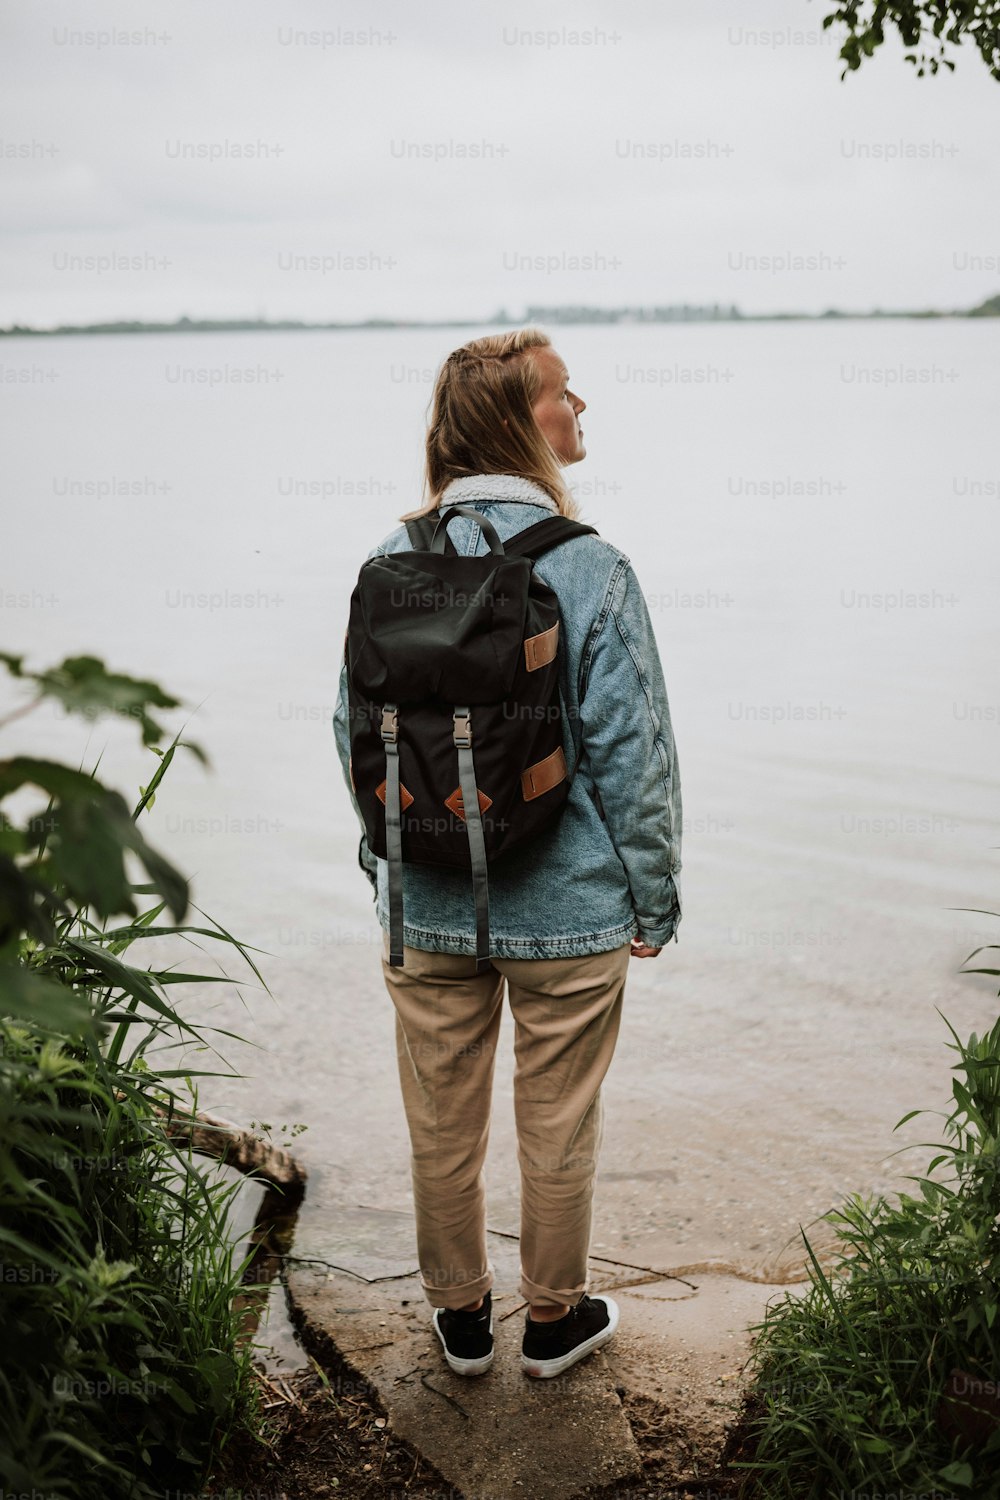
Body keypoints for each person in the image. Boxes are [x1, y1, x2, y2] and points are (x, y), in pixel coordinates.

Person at [333, 326, 682, 1380]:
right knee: (557, 1123)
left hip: (425, 902)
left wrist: (386, 866)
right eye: (567, 395)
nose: (580, 411)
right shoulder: (592, 569)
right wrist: (651, 903)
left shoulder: (388, 563)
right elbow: (633, 756)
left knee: (439, 1122)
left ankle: (460, 1318)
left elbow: (347, 731)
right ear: (522, 420)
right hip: (567, 907)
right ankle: (553, 1322)